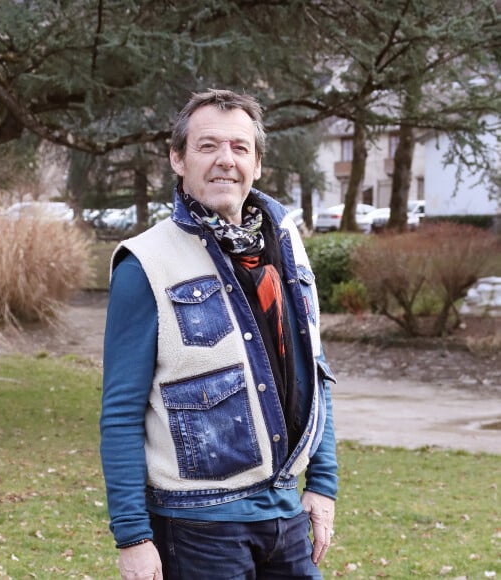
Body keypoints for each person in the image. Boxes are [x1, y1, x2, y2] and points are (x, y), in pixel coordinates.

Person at [100, 89, 338, 580]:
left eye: (239, 147)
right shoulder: (144, 263)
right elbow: (121, 412)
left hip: (285, 514)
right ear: (177, 159)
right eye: (207, 147)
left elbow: (314, 370)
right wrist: (133, 537)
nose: (224, 161)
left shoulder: (285, 244)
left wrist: (323, 483)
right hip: (197, 527)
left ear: (257, 163)